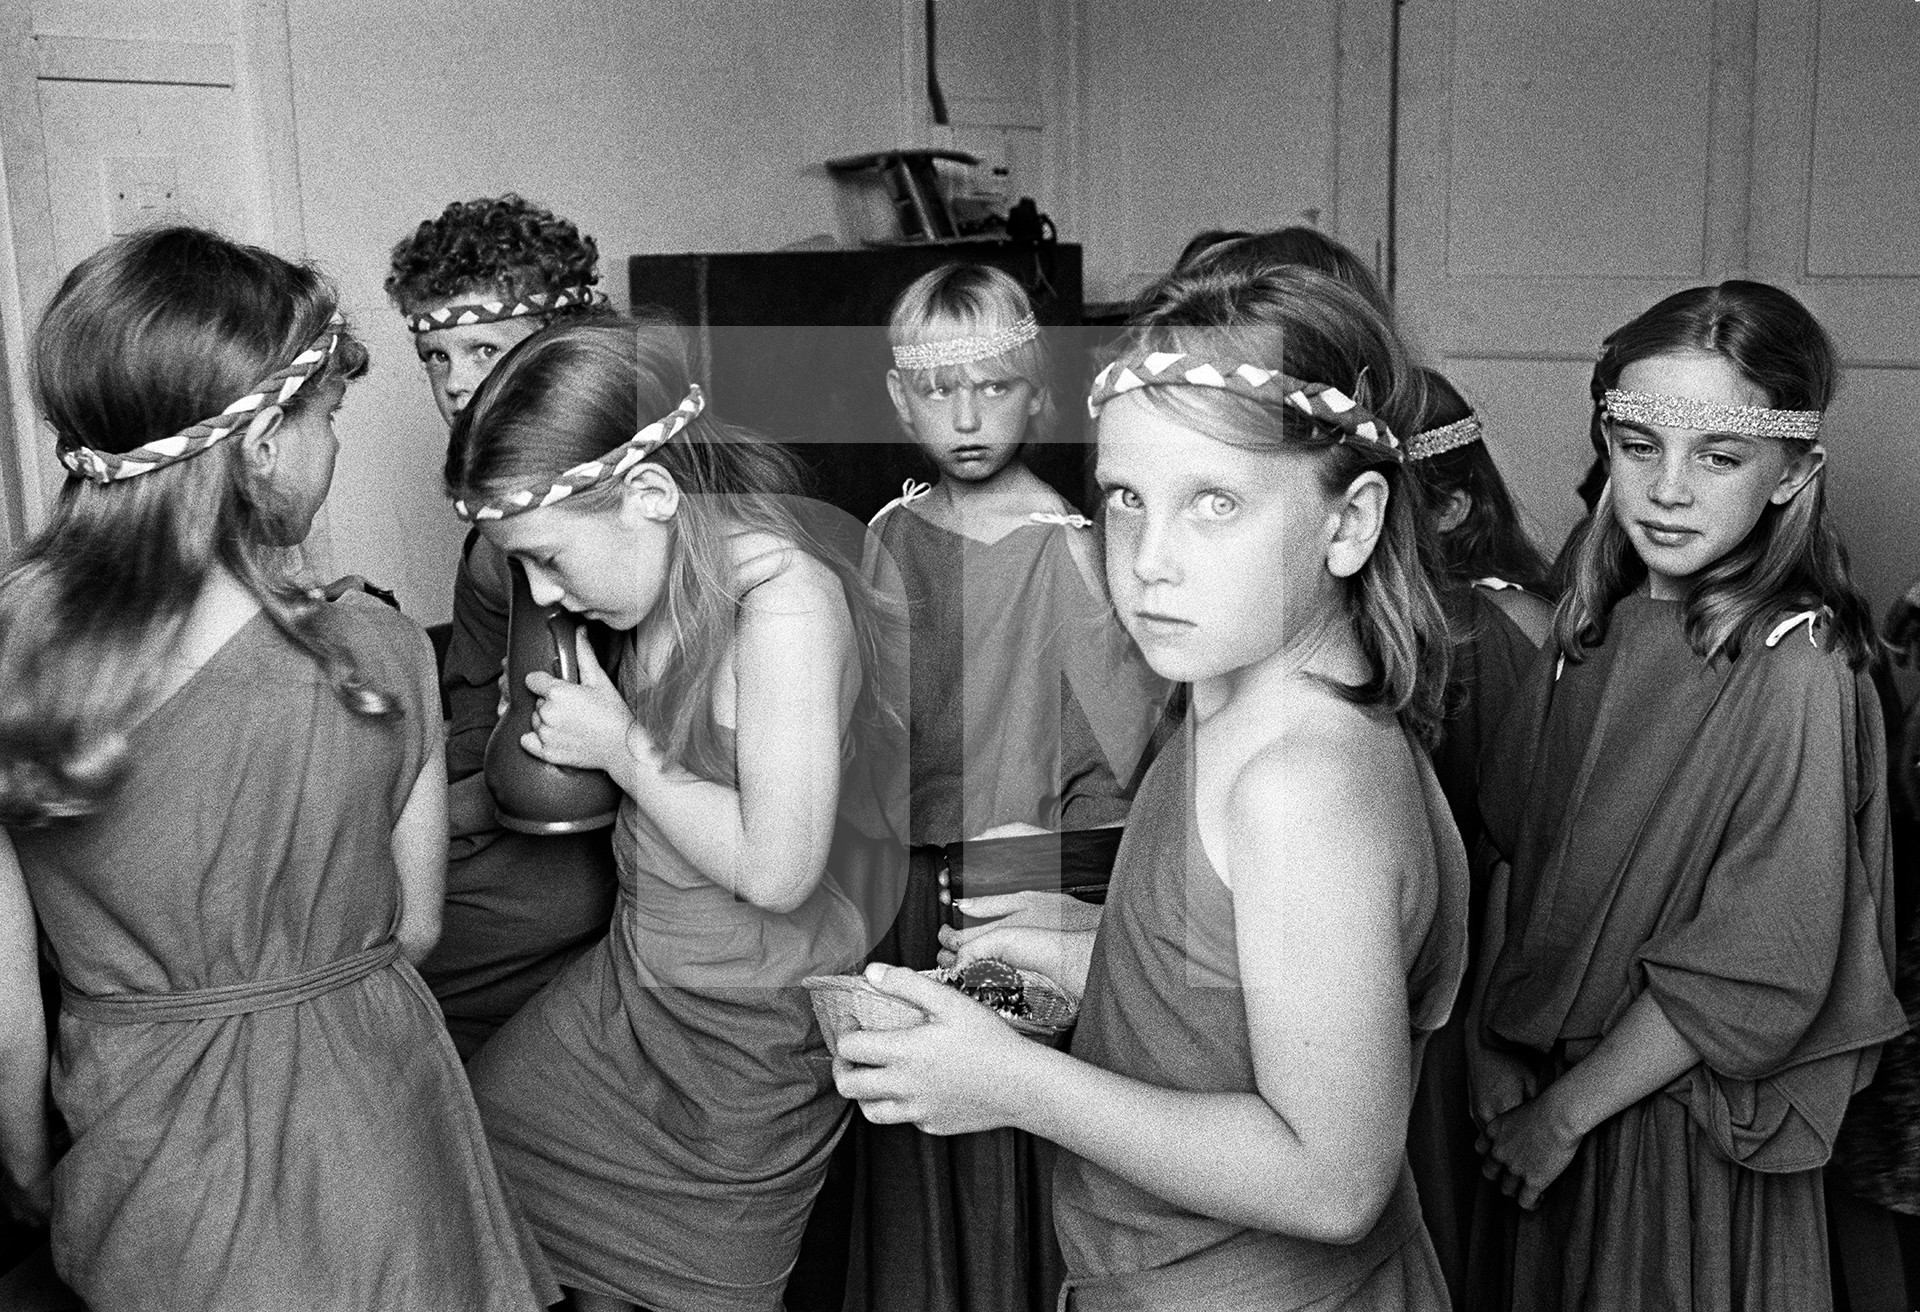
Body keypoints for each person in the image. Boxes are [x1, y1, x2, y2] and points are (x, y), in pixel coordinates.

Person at [836, 264, 1469, 1310]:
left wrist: (1009, 1081)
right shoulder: (1217, 695)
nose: (1150, 559)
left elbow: (1331, 1177)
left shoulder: (1299, 784)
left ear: (1349, 524)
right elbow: (1247, 993)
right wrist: (1098, 956)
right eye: (1126, 498)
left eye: (1213, 501)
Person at [0, 226, 551, 1310]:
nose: (332, 445)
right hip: (376, 1144)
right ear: (261, 443)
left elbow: (5, 991)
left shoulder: (13, 657)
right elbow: (418, 924)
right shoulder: (378, 654)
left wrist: (26, 1162)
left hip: (144, 1164)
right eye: (326, 416)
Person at [1467, 281, 1906, 1311]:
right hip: (1538, 1101)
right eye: (1637, 446)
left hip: (1671, 1133)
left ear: (1794, 471)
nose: (1668, 490)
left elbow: (1754, 963)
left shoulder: (1802, 667)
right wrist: (1491, 1048)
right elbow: (1509, 849)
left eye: (1720, 456)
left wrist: (1563, 1116)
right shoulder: (1591, 627)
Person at [451, 320, 904, 1312]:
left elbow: (778, 869)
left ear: (653, 495)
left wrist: (622, 749)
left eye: (547, 558)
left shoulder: (784, 609)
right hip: (636, 987)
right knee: (472, 1145)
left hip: (743, 1034)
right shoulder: (639, 578)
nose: (540, 589)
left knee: (677, 1286)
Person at [844, 264, 1167, 1312]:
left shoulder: (1072, 555)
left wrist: (1031, 887)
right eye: (940, 391)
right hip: (898, 889)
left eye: (993, 385)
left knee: (1003, 1144)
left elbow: (1126, 780)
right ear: (901, 401)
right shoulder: (888, 534)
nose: (968, 415)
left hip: (1013, 893)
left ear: (1039, 391)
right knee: (911, 1137)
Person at [385, 193, 620, 1055]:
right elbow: (475, 710)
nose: (453, 381)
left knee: (357, 959)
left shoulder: (621, 507)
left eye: (482, 348)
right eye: (433, 355)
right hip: (506, 801)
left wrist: (413, 826)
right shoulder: (491, 530)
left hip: (601, 845)